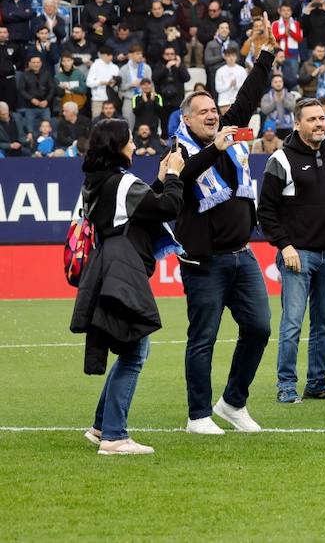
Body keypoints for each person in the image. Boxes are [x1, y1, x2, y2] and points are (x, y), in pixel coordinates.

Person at [171, 44, 277, 436]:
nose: (213, 115)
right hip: (205, 262)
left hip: (242, 256)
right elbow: (181, 180)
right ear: (186, 119)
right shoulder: (179, 151)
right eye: (203, 111)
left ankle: (233, 402)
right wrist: (215, 149)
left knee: (260, 328)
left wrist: (265, 54)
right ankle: (198, 415)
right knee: (204, 338)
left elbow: (249, 96)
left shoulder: (226, 135)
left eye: (214, 109)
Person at [72, 120, 186, 455]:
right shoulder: (121, 182)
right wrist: (176, 176)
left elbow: (137, 207)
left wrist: (161, 179)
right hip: (122, 268)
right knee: (135, 351)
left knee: (134, 347)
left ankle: (100, 427)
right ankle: (114, 436)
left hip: (108, 265)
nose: (135, 146)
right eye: (130, 141)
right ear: (117, 146)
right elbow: (167, 207)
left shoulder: (96, 181)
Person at [257, 98, 325, 405]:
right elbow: (266, 211)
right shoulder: (281, 159)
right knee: (292, 322)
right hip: (296, 255)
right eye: (312, 119)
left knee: (324, 322)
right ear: (298, 123)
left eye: (322, 118)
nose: (319, 123)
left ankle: (317, 383)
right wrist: (284, 245)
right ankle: (286, 384)